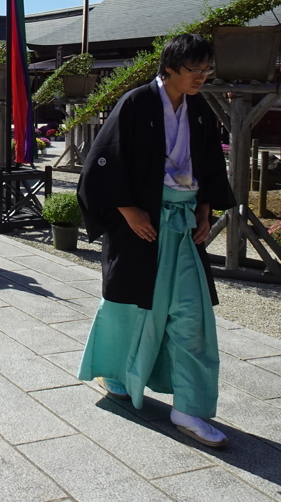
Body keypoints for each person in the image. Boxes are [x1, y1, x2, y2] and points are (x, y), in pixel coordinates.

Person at [76, 33, 235, 448]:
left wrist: (205, 210)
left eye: (207, 70)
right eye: (194, 70)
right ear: (169, 68)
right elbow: (103, 162)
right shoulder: (136, 103)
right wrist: (128, 210)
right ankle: (115, 373)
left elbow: (210, 166)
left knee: (191, 313)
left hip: (182, 225)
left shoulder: (199, 111)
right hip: (140, 224)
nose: (202, 77)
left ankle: (189, 406)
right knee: (130, 307)